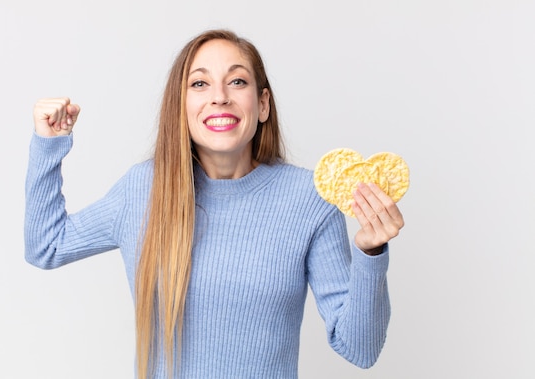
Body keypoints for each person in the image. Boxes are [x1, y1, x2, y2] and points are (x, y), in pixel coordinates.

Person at [25, 29, 404, 378]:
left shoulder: (308, 200)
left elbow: (360, 348)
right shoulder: (143, 189)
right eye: (200, 83)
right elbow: (46, 246)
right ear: (182, 106)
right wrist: (48, 145)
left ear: (262, 104)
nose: (219, 96)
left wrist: (372, 254)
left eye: (237, 81)